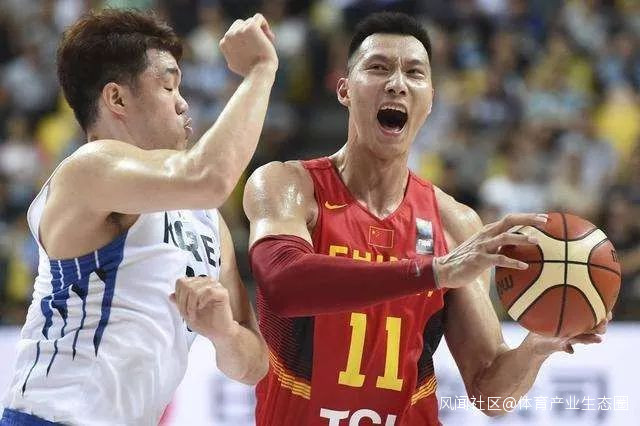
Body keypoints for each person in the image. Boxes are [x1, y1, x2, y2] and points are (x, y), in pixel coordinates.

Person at [244, 12, 609, 426]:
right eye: (378, 67)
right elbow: (283, 283)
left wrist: (536, 346)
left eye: (414, 73)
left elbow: (490, 394)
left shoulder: (455, 224)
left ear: (430, 99)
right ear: (344, 89)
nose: (397, 83)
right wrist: (433, 272)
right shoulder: (287, 186)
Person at [1, 9, 277, 425]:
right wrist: (260, 70)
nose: (183, 103)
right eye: (168, 86)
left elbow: (253, 365)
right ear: (117, 99)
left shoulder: (206, 217)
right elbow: (209, 176)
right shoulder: (88, 169)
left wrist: (223, 333)